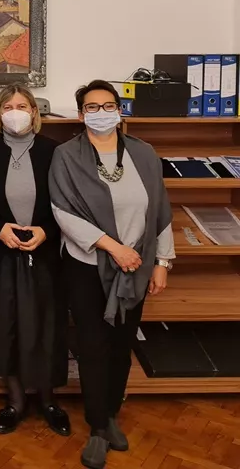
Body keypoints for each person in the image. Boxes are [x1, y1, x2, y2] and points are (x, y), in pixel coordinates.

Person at [50, 80, 174, 469]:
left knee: (122, 345)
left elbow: (160, 210)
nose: (101, 113)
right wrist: (114, 248)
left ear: (120, 110)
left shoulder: (144, 153)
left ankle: (110, 415)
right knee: (93, 346)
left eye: (108, 105)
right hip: (89, 266)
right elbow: (63, 212)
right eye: (92, 107)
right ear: (80, 114)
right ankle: (97, 427)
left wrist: (162, 262)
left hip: (136, 266)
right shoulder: (66, 156)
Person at [0, 85, 70, 436]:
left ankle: (48, 401)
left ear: (35, 112)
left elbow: (68, 201)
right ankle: (15, 401)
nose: (15, 112)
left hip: (44, 251)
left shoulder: (53, 151)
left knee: (45, 326)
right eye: (8, 107)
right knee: (3, 324)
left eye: (22, 106)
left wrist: (46, 231)